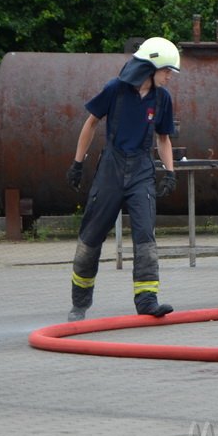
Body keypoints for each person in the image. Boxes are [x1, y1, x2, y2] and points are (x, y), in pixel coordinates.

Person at [65, 36, 180, 322]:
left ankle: (147, 301)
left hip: (142, 169)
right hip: (111, 170)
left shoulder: (162, 98)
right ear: (151, 67)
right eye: (167, 70)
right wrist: (78, 163)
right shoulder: (115, 90)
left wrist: (170, 171)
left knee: (145, 236)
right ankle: (79, 304)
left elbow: (163, 138)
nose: (169, 76)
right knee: (91, 237)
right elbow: (91, 123)